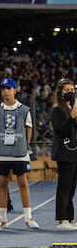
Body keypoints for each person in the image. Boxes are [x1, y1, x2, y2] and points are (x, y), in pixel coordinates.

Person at [0, 77, 38, 229]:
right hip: (2, 152)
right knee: (2, 185)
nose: (5, 91)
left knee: (23, 184)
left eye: (8, 88)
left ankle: (28, 217)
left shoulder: (24, 110)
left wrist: (24, 145)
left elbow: (28, 128)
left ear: (15, 90)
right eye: (3, 89)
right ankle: (2, 218)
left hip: (19, 153)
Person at [50, 79, 77, 230]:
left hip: (74, 152)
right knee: (64, 187)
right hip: (64, 153)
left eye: (72, 90)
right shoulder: (57, 110)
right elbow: (59, 130)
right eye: (67, 90)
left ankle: (70, 218)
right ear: (60, 94)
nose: (70, 93)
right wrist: (71, 117)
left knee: (72, 188)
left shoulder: (73, 108)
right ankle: (62, 219)